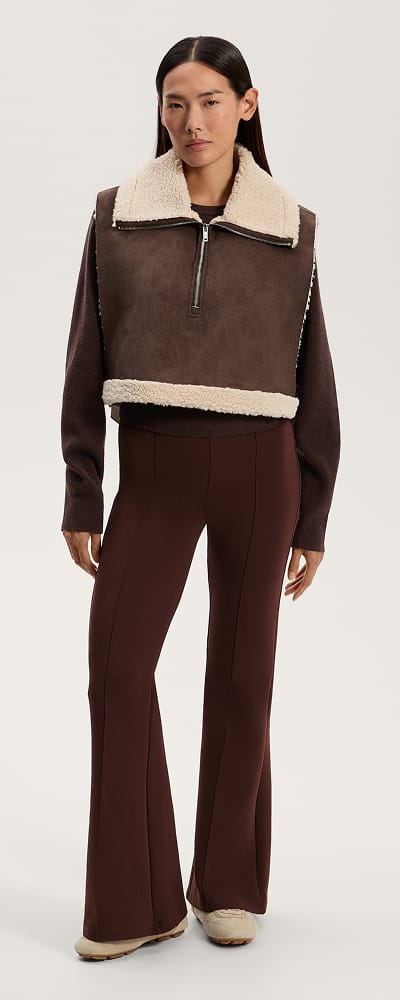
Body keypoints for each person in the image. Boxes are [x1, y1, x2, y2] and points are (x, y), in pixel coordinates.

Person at [61, 34, 341, 960]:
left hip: (263, 469)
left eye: (212, 100)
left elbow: (314, 373)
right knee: (116, 668)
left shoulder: (289, 226)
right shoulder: (117, 217)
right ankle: (136, 900)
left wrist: (313, 510)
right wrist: (82, 488)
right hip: (153, 470)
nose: (192, 121)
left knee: (243, 678)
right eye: (175, 102)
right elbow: (85, 356)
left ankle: (228, 885)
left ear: (247, 105)